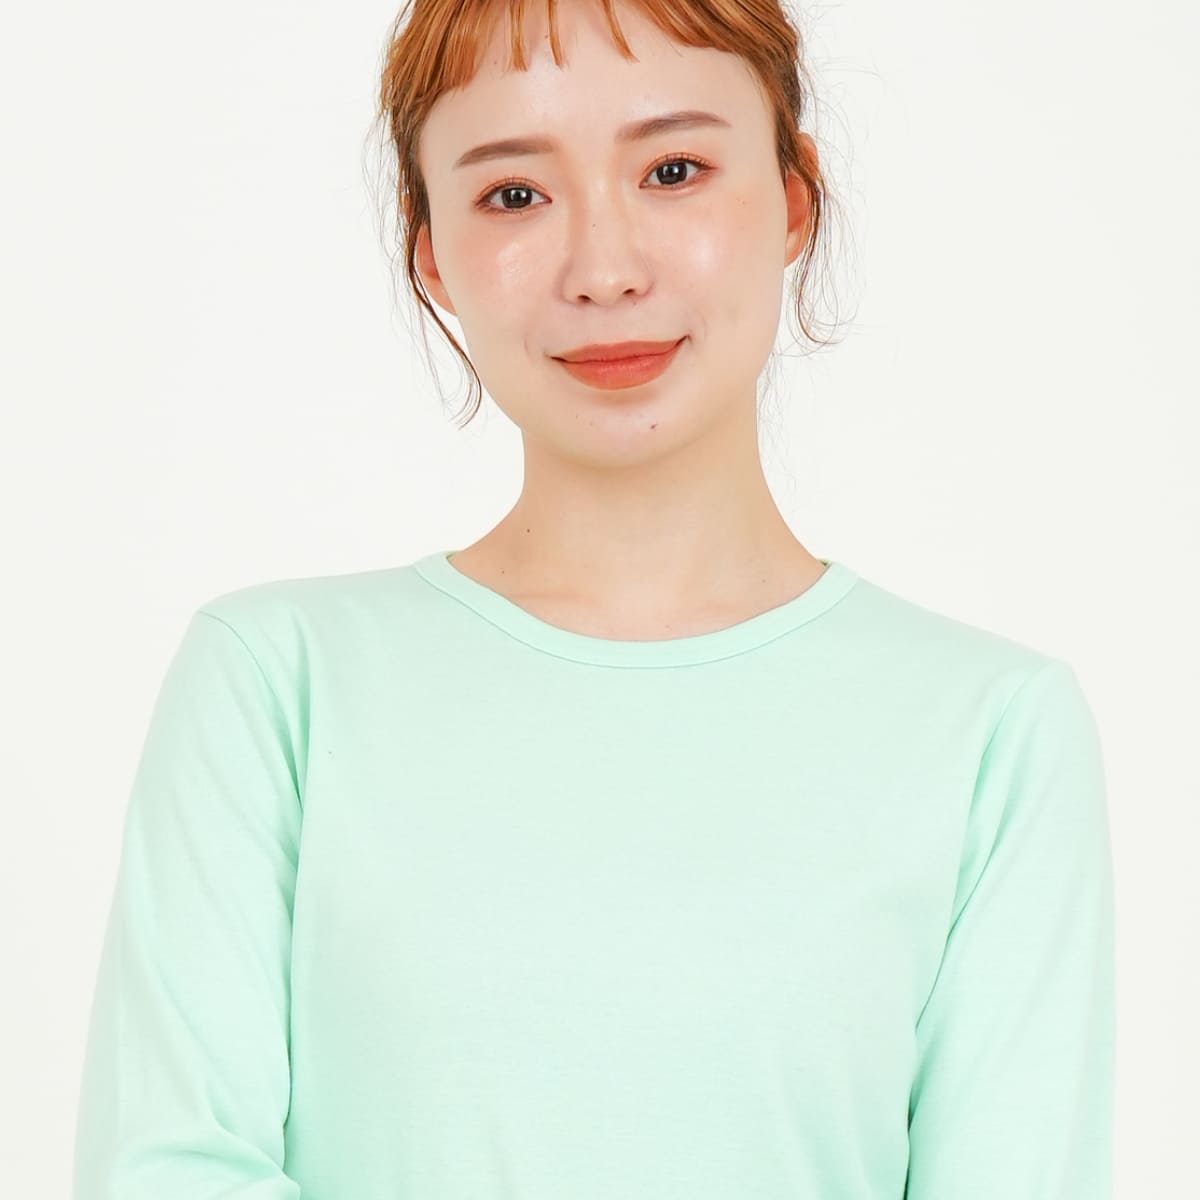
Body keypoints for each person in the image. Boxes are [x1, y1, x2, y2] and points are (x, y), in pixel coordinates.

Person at [71, 1, 1116, 1198]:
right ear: (429, 249)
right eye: (514, 194)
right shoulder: (275, 684)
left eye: (673, 171)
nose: (605, 271)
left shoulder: (992, 731)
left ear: (793, 198)